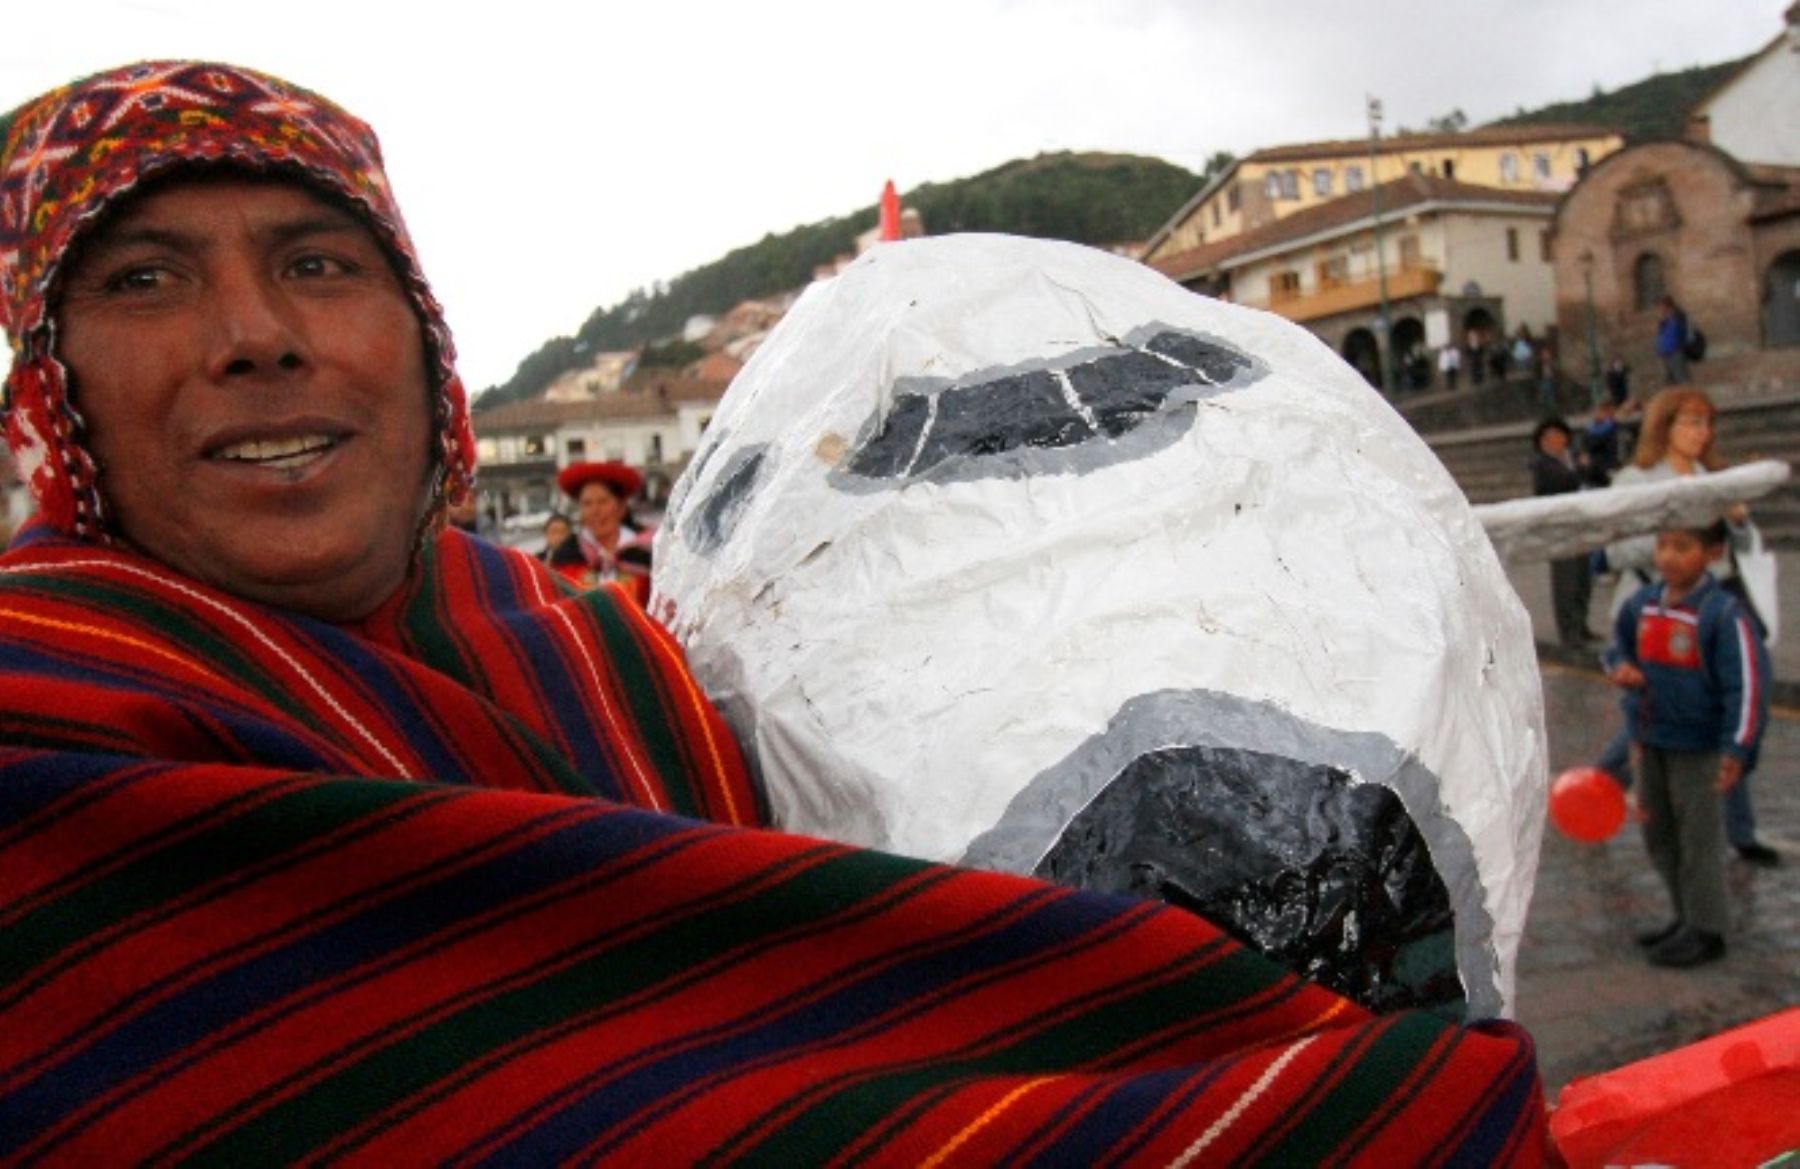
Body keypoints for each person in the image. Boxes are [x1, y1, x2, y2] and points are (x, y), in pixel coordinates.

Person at [0, 62, 1548, 1160]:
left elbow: (850, 984)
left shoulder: (598, 657)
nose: (256, 336)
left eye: (316, 261)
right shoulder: (45, 739)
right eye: (146, 282)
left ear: (421, 345)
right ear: (48, 392)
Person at [1593, 386, 1779, 865]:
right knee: (1653, 716)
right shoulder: (1635, 480)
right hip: (1652, 617)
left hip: (1710, 617)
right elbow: (1615, 549)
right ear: (1665, 425)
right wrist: (1674, 545)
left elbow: (1740, 545)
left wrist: (1735, 521)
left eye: (1706, 423)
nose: (1702, 433)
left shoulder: (1712, 478)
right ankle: (1602, 782)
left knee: (1719, 719)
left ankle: (1741, 832)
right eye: (1691, 422)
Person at [1603, 520, 1768, 967]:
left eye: (1683, 547)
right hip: (1649, 739)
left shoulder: (1723, 614)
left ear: (1713, 552)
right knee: (1660, 834)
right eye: (1662, 545)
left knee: (1699, 840)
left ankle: (1708, 928)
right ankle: (1684, 916)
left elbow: (1747, 686)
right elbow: (1616, 647)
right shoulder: (1643, 604)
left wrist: (1737, 749)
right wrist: (1621, 668)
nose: (1669, 557)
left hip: (1699, 747)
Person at [548, 459, 655, 602]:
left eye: (603, 502)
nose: (595, 511)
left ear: (621, 507)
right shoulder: (566, 555)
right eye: (587, 504)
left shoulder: (647, 552)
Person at [1532, 417, 1594, 647]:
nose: (1555, 441)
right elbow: (1561, 483)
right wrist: (1581, 469)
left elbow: (1597, 475)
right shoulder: (1543, 464)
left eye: (1559, 436)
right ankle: (1568, 630)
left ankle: (1581, 623)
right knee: (1565, 581)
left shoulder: (1572, 459)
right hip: (1559, 529)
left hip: (1580, 523)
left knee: (1583, 578)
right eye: (1549, 437)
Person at [1655, 296, 1692, 386]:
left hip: (1676, 353)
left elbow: (1685, 334)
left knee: (1682, 380)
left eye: (1661, 306)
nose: (1659, 309)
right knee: (1669, 382)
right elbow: (1661, 336)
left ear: (1668, 306)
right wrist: (1660, 350)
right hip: (1665, 354)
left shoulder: (1679, 317)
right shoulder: (1664, 321)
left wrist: (1681, 347)